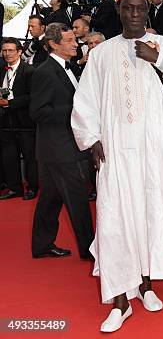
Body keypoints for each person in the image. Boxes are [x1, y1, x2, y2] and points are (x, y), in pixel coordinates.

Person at [71, 0, 163, 333]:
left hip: (158, 152)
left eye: (140, 8)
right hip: (116, 153)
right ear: (118, 11)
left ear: (148, 11)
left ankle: (145, 286)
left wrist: (158, 58)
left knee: (150, 216)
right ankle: (118, 301)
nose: (134, 14)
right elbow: (85, 99)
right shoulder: (102, 53)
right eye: (127, 8)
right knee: (116, 220)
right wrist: (91, 138)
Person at [29, 23, 95, 262]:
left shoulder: (69, 69)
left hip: (56, 148)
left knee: (50, 199)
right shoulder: (45, 72)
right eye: (69, 40)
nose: (75, 43)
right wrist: (76, 110)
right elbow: (38, 112)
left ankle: (42, 245)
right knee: (78, 200)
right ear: (53, 44)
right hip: (60, 148)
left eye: (73, 39)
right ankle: (91, 251)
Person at [0, 38, 38, 201]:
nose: (7, 54)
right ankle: (14, 188)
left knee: (30, 158)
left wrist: (11, 103)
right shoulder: (1, 69)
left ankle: (32, 187)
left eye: (10, 50)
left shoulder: (29, 70)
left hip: (25, 123)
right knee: (9, 157)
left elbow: (33, 96)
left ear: (20, 52)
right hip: (5, 123)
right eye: (4, 51)